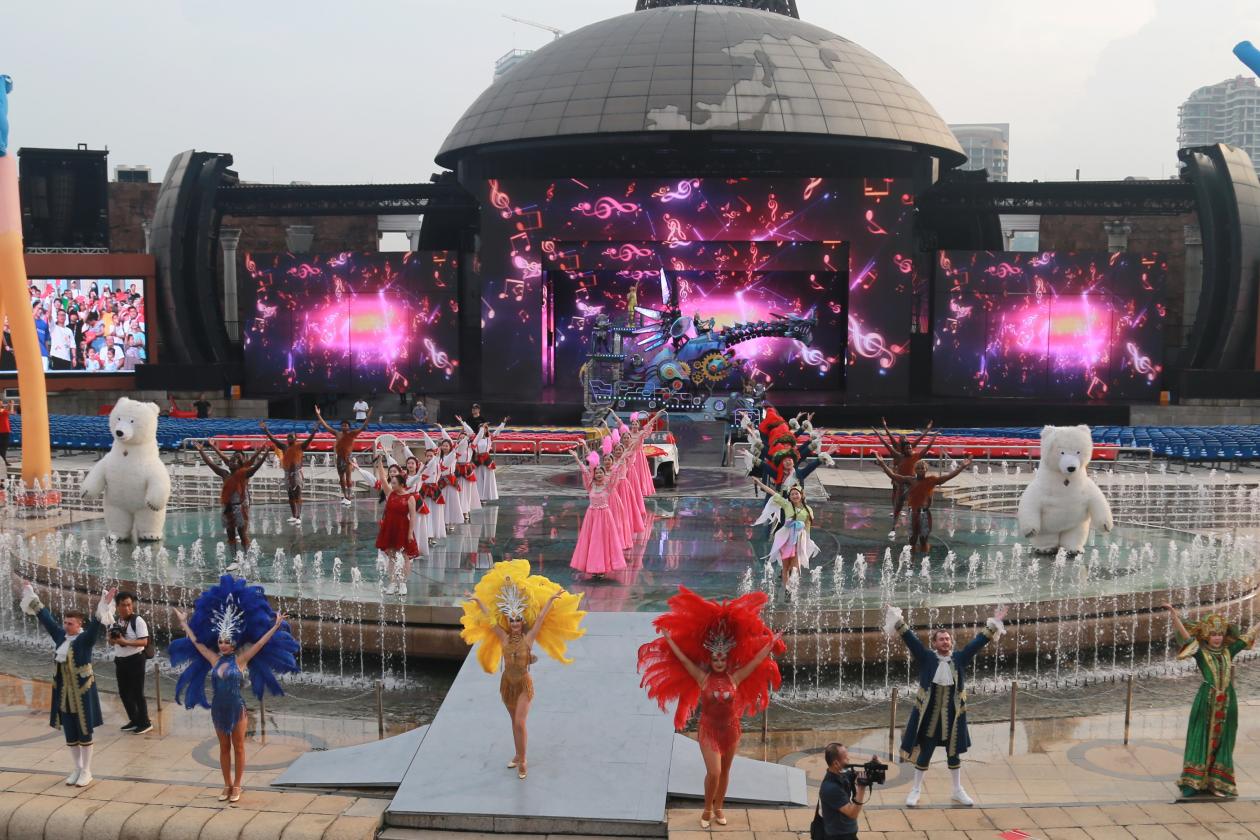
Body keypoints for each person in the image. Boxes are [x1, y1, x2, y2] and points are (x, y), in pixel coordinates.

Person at [638, 587, 784, 829]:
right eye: (715, 658)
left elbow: (757, 660)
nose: (718, 662)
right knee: (714, 772)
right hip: (709, 731)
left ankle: (719, 808)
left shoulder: (735, 678)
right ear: (711, 659)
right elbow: (684, 660)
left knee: (725, 772)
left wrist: (771, 643)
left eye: (722, 659)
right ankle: (707, 808)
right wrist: (669, 639)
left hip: (731, 730)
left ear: (727, 659)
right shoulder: (702, 678)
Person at [171, 576, 297, 804]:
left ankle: (237, 785)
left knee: (238, 748)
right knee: (223, 749)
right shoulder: (214, 659)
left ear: (234, 644)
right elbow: (197, 643)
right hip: (218, 709)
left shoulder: (240, 661)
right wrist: (184, 623)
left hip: (237, 710)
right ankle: (226, 785)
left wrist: (276, 626)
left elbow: (259, 644)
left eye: (227, 641)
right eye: (220, 641)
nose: (222, 644)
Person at [461, 560, 586, 781]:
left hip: (523, 686)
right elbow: (490, 620)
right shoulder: (503, 637)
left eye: (518, 619)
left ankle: (523, 760)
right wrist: (478, 601)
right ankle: (518, 754)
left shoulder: (529, 639)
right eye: (512, 620)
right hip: (507, 685)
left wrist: (550, 600)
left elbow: (540, 620)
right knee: (514, 723)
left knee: (520, 722)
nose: (516, 623)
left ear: (522, 620)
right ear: (508, 622)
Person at [883, 602, 1009, 807]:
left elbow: (978, 642)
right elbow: (910, 639)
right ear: (934, 643)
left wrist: (995, 622)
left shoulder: (959, 658)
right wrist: (895, 617)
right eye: (941, 639)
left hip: (953, 715)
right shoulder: (926, 658)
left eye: (947, 639)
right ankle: (916, 790)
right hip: (929, 716)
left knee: (954, 753)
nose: (945, 641)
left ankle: (958, 790)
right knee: (925, 752)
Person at [16, 576, 117, 787]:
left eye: (70, 623)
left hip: (83, 692)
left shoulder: (85, 640)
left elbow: (96, 624)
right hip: (64, 694)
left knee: (85, 731)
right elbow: (46, 618)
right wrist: (30, 592)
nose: (66, 625)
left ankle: (87, 770)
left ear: (79, 625)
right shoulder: (61, 636)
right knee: (70, 733)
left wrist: (104, 604)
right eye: (65, 622)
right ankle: (77, 768)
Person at [1163, 603, 1258, 798]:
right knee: (1202, 738)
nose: (1217, 638)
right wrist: (1174, 616)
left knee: (1223, 740)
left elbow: (1249, 635)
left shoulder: (1229, 651)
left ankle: (1216, 782)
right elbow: (1187, 637)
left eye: (1220, 634)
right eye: (1213, 634)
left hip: (1228, 701)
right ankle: (1195, 781)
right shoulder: (1201, 653)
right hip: (1206, 701)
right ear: (1206, 635)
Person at [874, 455, 973, 553]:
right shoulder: (910, 480)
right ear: (915, 470)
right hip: (913, 513)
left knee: (924, 539)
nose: (921, 470)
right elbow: (893, 476)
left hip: (925, 513)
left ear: (926, 469)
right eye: (918, 468)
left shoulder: (931, 480)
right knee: (912, 539)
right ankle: (911, 560)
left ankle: (924, 557)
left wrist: (961, 467)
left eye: (922, 468)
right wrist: (882, 464)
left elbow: (948, 477)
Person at [193, 443, 268, 552]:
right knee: (230, 535)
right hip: (227, 508)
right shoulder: (225, 474)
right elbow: (210, 463)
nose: (230, 462)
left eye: (234, 461)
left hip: (239, 507)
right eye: (231, 461)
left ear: (239, 465)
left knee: (242, 534)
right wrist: (201, 451)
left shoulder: (244, 474)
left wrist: (264, 454)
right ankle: (234, 558)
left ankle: (246, 555)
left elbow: (255, 466)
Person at [752, 478, 820, 591]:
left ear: (801, 495)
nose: (794, 496)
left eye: (796, 493)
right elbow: (772, 492)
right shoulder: (787, 504)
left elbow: (808, 526)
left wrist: (807, 540)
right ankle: (787, 590)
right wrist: (759, 483)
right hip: (786, 538)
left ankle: (793, 588)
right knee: (785, 567)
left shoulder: (808, 509)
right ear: (789, 496)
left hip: (799, 539)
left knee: (795, 567)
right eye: (792, 494)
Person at [569, 449, 626, 578]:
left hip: (605, 516)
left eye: (601, 472)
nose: (599, 474)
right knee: (592, 542)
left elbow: (615, 472)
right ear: (594, 474)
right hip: (592, 516)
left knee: (603, 542)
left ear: (604, 474)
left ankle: (602, 568)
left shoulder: (608, 487)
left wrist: (621, 460)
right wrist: (577, 458)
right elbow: (584, 471)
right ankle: (593, 566)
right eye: (597, 472)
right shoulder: (590, 486)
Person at [873, 419, 936, 536]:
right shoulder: (899, 455)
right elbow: (886, 443)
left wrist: (932, 434)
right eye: (907, 448)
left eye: (910, 448)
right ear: (903, 448)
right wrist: (878, 433)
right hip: (900, 480)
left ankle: (915, 527)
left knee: (915, 505)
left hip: (911, 483)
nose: (909, 449)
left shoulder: (916, 455)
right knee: (898, 503)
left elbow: (926, 445)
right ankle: (893, 528)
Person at [110, 591, 152, 735]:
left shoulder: (138, 621)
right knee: (123, 692)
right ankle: (134, 719)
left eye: (129, 605)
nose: (127, 608)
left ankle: (145, 722)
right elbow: (112, 642)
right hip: (120, 660)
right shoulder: (117, 621)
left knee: (137, 692)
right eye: (123, 605)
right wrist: (113, 639)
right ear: (117, 606)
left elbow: (144, 641)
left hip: (135, 660)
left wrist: (125, 641)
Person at [260, 421, 318, 525]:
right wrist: (266, 430)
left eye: (291, 437)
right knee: (290, 495)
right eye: (288, 437)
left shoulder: (300, 446)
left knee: (298, 495)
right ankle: (294, 515)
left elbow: (309, 440)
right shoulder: (284, 447)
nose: (289, 438)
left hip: (296, 474)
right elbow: (273, 439)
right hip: (287, 474)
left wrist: (314, 431)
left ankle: (299, 517)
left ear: (296, 438)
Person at [315, 404, 371, 505]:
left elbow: (363, 427)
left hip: (348, 459)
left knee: (348, 478)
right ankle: (345, 495)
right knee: (341, 479)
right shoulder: (337, 433)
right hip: (339, 459)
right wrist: (318, 415)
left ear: (349, 427)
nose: (344, 426)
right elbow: (326, 426)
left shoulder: (352, 434)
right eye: (343, 425)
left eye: (346, 425)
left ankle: (349, 496)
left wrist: (368, 416)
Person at [377, 473, 421, 596]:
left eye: (394, 483)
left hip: (402, 528)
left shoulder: (410, 498)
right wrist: (379, 464)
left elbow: (413, 516)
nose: (392, 485)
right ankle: (392, 583)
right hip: (390, 528)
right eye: (392, 483)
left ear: (401, 484)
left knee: (405, 556)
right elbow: (382, 480)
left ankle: (402, 583)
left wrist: (410, 533)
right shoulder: (391, 493)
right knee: (391, 556)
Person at [818, 742, 869, 840]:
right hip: (839, 836)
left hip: (847, 833)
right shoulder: (831, 788)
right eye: (845, 758)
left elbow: (860, 775)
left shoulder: (841, 774)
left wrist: (874, 766)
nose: (849, 759)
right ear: (836, 763)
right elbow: (853, 813)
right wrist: (861, 789)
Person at [0, 398, 12, 467]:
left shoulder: (5, 410)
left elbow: (10, 412)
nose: (0, 403)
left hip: (6, 431)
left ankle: (3, 460)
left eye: (1, 402)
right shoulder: (3, 410)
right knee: (1, 447)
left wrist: (10, 405)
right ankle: (3, 461)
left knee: (4, 447)